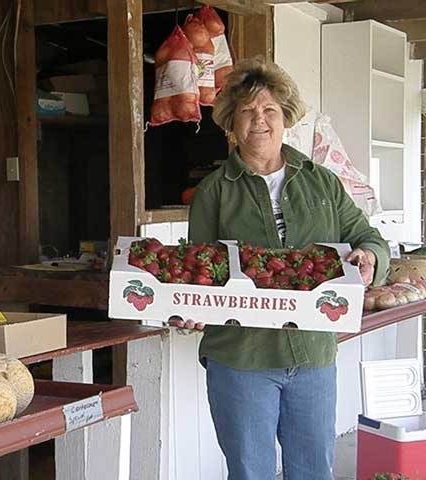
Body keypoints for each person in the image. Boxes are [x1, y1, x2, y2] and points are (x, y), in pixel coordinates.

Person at [171, 56, 389, 480]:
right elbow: (200, 266)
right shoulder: (213, 193)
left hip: (313, 355)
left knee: (312, 471)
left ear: (285, 117)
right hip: (241, 357)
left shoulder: (320, 182)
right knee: (250, 472)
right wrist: (189, 305)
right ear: (231, 123)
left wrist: (370, 261)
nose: (259, 120)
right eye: (247, 111)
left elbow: (368, 238)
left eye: (269, 110)